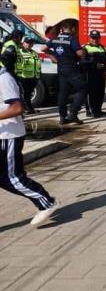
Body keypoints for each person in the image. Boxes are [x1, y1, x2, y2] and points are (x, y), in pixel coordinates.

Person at [0, 66, 57, 227]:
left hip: (8, 136)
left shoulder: (4, 78)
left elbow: (17, 108)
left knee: (11, 177)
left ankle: (46, 202)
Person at [42, 21, 85, 125]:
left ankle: (62, 117)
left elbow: (43, 48)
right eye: (73, 28)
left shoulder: (55, 39)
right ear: (71, 29)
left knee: (63, 93)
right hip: (71, 68)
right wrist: (83, 52)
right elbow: (79, 53)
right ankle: (73, 112)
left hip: (61, 69)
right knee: (83, 89)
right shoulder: (72, 39)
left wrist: (53, 56)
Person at [83, 30, 106, 118]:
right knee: (91, 93)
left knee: (100, 93)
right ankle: (90, 111)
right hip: (90, 74)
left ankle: (98, 110)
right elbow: (83, 62)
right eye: (93, 38)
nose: (95, 40)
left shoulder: (103, 48)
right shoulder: (85, 48)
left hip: (101, 74)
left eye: (96, 38)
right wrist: (95, 65)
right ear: (90, 38)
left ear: (99, 38)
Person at [16, 37, 41, 114]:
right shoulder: (20, 52)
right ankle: (26, 109)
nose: (29, 44)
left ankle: (30, 109)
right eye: (27, 42)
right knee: (24, 94)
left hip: (33, 77)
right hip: (24, 77)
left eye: (31, 43)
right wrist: (18, 76)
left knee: (28, 94)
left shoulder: (34, 52)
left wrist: (39, 74)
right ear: (23, 43)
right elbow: (18, 65)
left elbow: (37, 64)